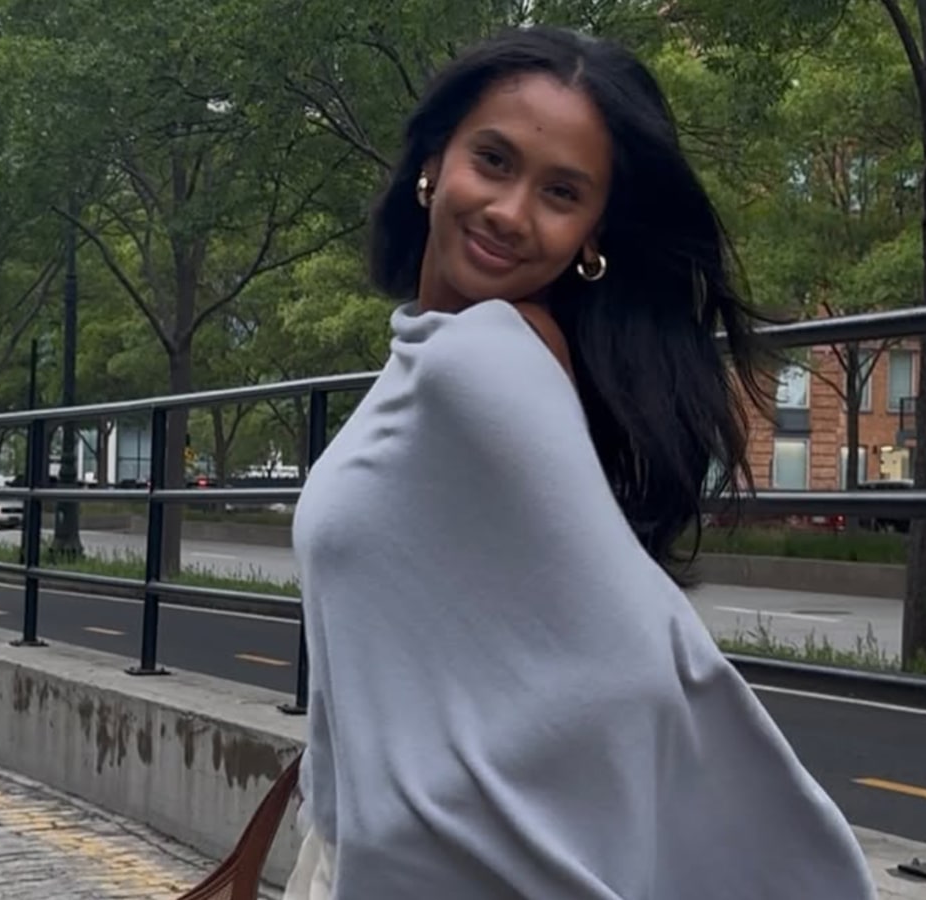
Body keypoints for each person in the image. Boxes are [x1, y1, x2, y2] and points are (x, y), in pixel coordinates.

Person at [286, 24, 877, 900]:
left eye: (560, 192)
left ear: (592, 233)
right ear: (434, 160)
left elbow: (638, 660)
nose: (509, 211)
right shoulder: (438, 350)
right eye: (493, 160)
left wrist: (444, 814)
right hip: (356, 855)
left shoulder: (482, 359)